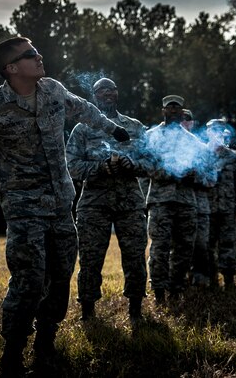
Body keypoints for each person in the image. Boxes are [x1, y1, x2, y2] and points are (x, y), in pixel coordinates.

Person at [0, 37, 131, 377]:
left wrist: (114, 129)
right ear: (12, 68)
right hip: (25, 209)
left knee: (61, 276)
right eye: (30, 55)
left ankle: (47, 340)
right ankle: (13, 351)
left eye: (36, 52)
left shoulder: (53, 90)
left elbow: (85, 109)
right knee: (29, 280)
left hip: (62, 205)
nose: (39, 56)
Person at [66, 77, 148, 324]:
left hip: (130, 203)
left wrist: (132, 165)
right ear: (94, 96)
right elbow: (71, 166)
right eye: (102, 91)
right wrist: (101, 168)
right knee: (90, 259)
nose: (107, 94)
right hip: (94, 203)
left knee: (135, 257)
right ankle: (88, 312)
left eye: (111, 89)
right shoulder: (82, 129)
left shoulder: (134, 127)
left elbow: (152, 162)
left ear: (117, 94)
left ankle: (135, 310)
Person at [141, 96, 214, 303]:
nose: (173, 111)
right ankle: (159, 292)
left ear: (183, 113)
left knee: (184, 248)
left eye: (177, 108)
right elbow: (145, 166)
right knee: (159, 248)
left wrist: (194, 175)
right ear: (163, 111)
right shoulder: (151, 136)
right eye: (169, 107)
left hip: (186, 202)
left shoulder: (193, 141)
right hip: (160, 201)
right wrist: (171, 174)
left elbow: (207, 172)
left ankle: (176, 288)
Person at [204, 119, 236, 290]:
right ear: (208, 133)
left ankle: (229, 280)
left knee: (228, 244)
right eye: (214, 130)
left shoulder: (233, 157)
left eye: (221, 130)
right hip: (207, 209)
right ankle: (212, 279)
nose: (218, 133)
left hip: (228, 209)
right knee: (207, 246)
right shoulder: (201, 154)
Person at [181, 109, 212, 288]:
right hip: (174, 204)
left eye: (188, 119)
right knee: (175, 246)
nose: (184, 122)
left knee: (200, 244)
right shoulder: (166, 145)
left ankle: (201, 281)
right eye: (181, 119)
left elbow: (212, 177)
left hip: (198, 205)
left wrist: (193, 177)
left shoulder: (201, 147)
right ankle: (178, 282)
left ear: (192, 123)